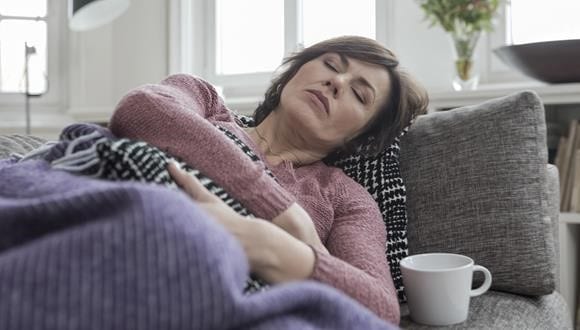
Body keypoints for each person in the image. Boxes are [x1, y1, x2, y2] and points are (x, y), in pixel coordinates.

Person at [109, 35, 428, 325]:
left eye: (359, 94)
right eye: (331, 64)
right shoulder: (206, 104)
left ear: (361, 138)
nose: (336, 81)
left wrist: (270, 247)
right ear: (295, 71)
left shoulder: (345, 197)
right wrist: (284, 213)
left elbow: (380, 309)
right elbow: (140, 109)